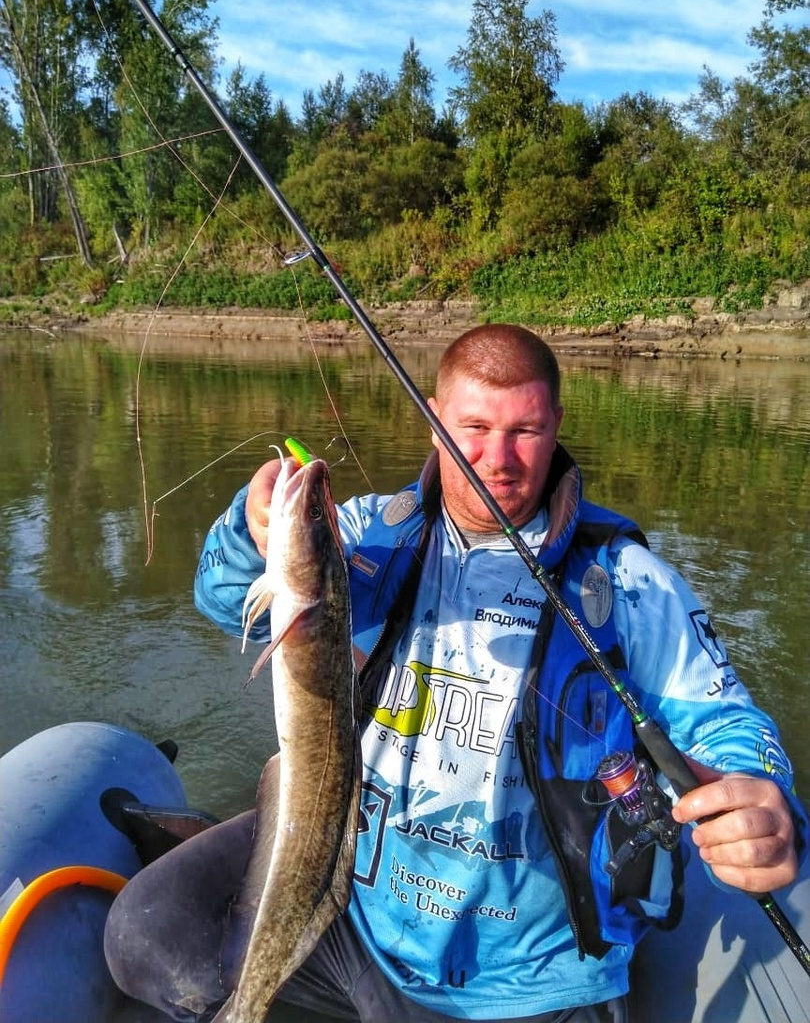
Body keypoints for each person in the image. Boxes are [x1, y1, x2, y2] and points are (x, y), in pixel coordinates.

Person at [105, 324, 807, 1023]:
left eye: (524, 430)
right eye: (474, 425)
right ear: (436, 420)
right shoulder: (372, 537)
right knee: (146, 940)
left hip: (535, 972)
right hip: (362, 917)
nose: (496, 458)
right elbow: (232, 605)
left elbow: (727, 724)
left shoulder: (628, 584)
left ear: (557, 424)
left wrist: (767, 803)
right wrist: (252, 529)